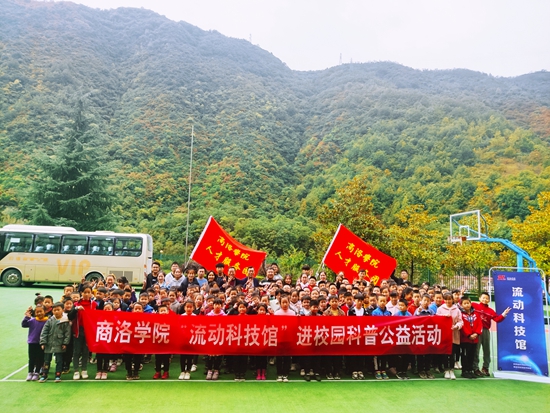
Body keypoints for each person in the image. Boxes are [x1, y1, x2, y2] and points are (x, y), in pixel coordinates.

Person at [471, 292, 510, 376]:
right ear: (479, 298)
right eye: (483, 298)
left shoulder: (490, 311)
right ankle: (475, 368)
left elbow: (497, 319)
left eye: (487, 298)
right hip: (475, 330)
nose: (485, 299)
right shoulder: (474, 305)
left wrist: (504, 314)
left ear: (489, 300)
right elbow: (463, 306)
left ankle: (485, 367)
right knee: (476, 350)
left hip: (485, 331)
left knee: (486, 350)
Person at [39, 302, 71, 382]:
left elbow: (67, 333)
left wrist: (65, 343)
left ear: (62, 310)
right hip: (49, 344)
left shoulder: (65, 321)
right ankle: (44, 374)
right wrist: (43, 342)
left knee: (59, 360)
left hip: (59, 344)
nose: (56, 311)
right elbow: (44, 331)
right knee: (46, 360)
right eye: (54, 310)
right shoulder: (50, 320)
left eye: (58, 310)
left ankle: (58, 375)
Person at [437, 292, 463, 380]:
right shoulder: (440, 309)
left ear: (452, 299)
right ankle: (446, 369)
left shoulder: (457, 309)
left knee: (452, 353)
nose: (448, 301)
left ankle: (451, 369)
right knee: (445, 353)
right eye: (446, 299)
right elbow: (437, 319)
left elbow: (460, 321)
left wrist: (456, 326)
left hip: (454, 334)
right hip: (444, 334)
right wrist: (443, 317)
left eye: (449, 299)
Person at [22, 305, 48, 381]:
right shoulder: (32, 320)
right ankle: (30, 372)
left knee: (40, 358)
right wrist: (27, 317)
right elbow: (24, 324)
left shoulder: (47, 321)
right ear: (35, 313)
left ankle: (37, 372)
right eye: (37, 312)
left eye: (41, 311)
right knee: (31, 358)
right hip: (32, 342)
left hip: (41, 343)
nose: (39, 313)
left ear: (44, 312)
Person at [459, 297, 483, 379]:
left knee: (472, 355)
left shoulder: (476, 314)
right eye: (464, 303)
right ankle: (464, 371)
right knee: (465, 355)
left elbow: (480, 324)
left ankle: (470, 370)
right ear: (461, 305)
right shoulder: (461, 314)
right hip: (465, 339)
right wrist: (469, 335)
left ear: (470, 303)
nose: (467, 305)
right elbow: (462, 326)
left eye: (468, 303)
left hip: (475, 339)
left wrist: (476, 333)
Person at [274, 295, 295, 382]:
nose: (285, 304)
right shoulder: (277, 313)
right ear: (280, 303)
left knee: (287, 357)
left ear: (289, 303)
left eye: (286, 302)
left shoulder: (292, 313)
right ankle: (279, 374)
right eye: (283, 302)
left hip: (289, 338)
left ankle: (285, 374)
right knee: (279, 357)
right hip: (279, 338)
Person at [153, 305, 171, 379]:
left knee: (166, 358)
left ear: (168, 311)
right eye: (161, 311)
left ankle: (166, 372)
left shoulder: (171, 320)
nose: (163, 312)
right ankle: (158, 371)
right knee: (158, 358)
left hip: (167, 343)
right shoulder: (155, 320)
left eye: (164, 310)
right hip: (158, 342)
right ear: (158, 312)